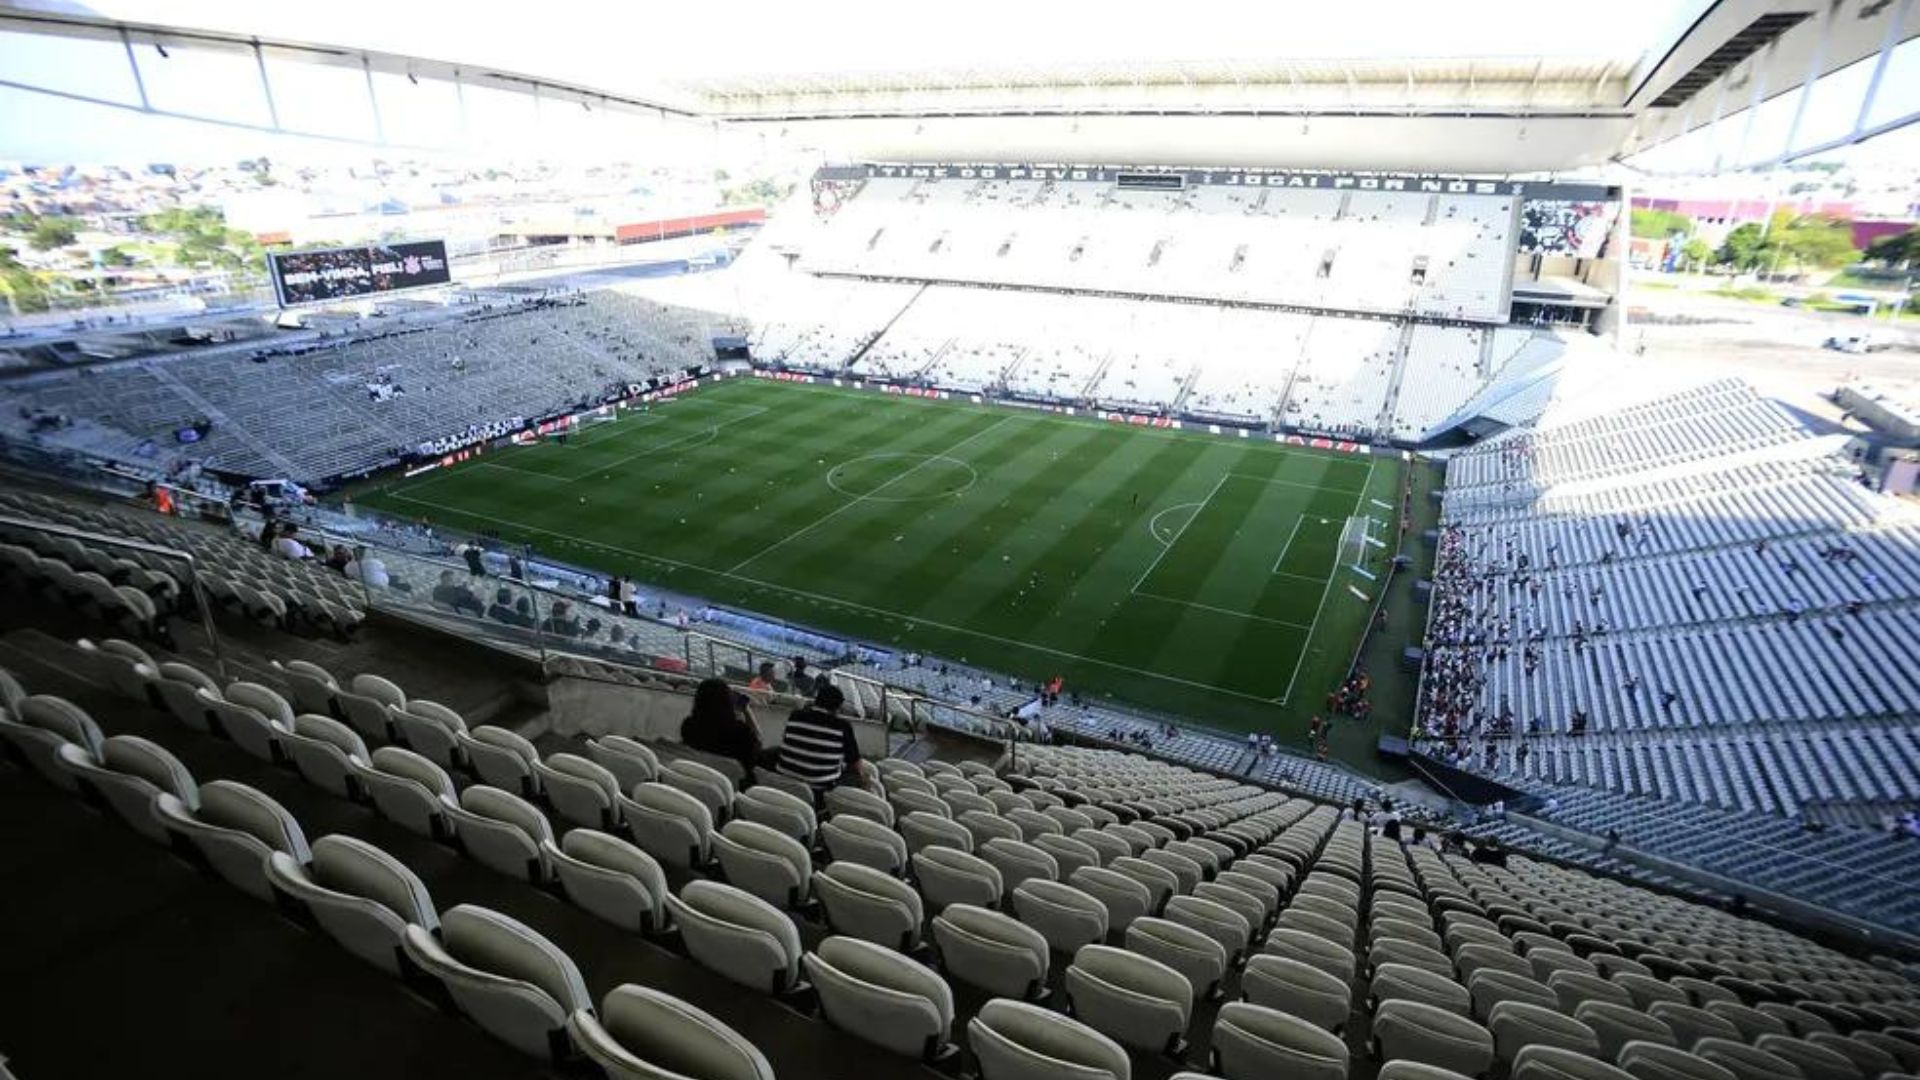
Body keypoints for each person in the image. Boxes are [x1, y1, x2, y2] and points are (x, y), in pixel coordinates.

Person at [775, 683, 866, 798]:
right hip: (818, 789)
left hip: (784, 780)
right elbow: (855, 764)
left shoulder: (795, 715)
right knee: (857, 775)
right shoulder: (842, 726)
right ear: (837, 707)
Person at [680, 677, 763, 780]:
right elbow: (758, 743)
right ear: (727, 700)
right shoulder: (739, 731)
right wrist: (746, 710)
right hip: (732, 782)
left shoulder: (688, 725)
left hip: (697, 776)